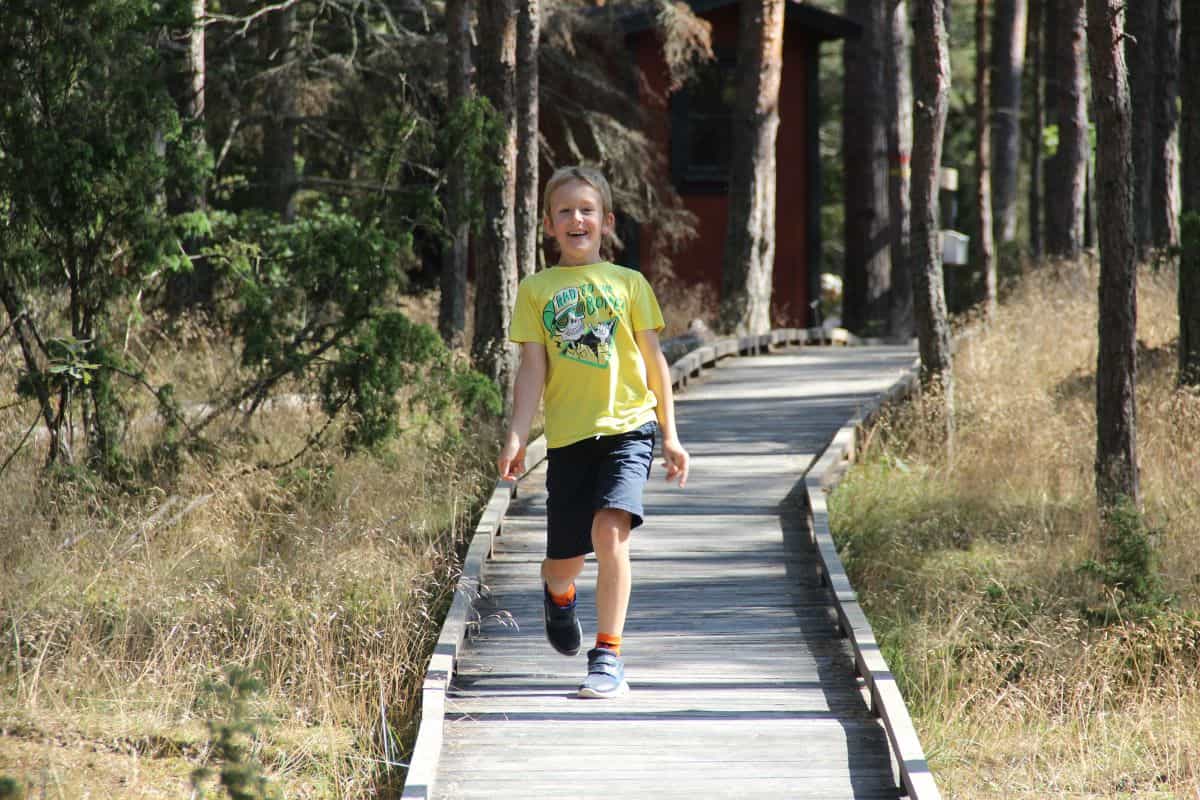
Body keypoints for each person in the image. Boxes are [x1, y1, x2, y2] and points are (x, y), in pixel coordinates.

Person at [497, 165, 689, 698]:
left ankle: (608, 656)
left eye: (586, 210)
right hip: (569, 440)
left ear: (606, 222)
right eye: (565, 211)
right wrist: (516, 435)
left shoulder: (629, 284)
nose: (576, 219)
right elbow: (532, 369)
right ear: (548, 225)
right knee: (565, 562)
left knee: (610, 534)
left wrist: (670, 435)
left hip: (630, 429)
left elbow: (655, 364)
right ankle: (558, 594)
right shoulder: (536, 290)